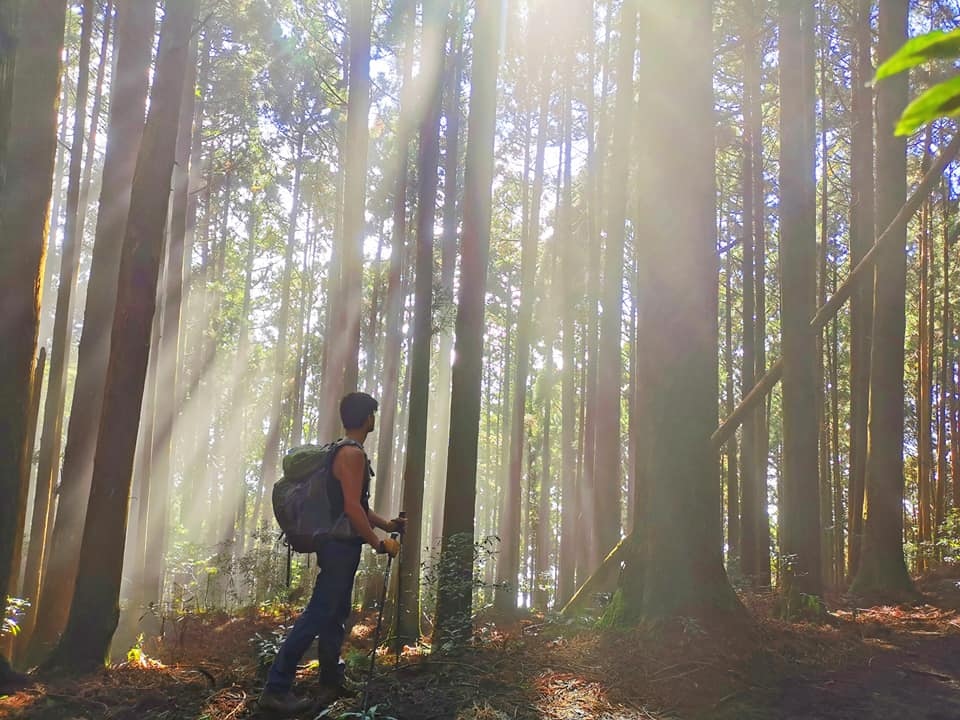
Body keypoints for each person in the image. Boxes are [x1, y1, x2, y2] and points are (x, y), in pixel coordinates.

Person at [259, 392, 405, 715]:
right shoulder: (352, 455)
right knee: (319, 613)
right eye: (373, 414)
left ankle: (330, 679)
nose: (374, 420)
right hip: (340, 547)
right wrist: (379, 544)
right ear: (367, 417)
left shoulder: (343, 451)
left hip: (338, 544)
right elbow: (352, 509)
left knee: (335, 613)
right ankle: (276, 688)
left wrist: (386, 524)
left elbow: (357, 507)